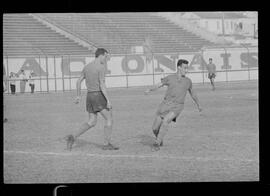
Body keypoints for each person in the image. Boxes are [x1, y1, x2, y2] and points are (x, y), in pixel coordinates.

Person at [65, 48, 119, 151]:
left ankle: (73, 137)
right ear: (101, 55)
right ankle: (106, 144)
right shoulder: (101, 67)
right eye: (106, 56)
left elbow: (78, 81)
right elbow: (102, 84)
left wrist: (78, 96)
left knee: (92, 121)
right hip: (98, 95)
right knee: (109, 118)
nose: (106, 59)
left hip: (89, 96)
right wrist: (108, 100)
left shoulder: (87, 67)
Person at [144, 59, 202, 151]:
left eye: (187, 68)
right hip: (165, 104)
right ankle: (160, 138)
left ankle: (157, 143)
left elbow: (193, 93)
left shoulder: (188, 81)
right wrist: (150, 89)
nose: (186, 70)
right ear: (179, 67)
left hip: (177, 106)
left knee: (166, 121)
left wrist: (198, 104)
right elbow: (159, 85)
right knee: (155, 128)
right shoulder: (170, 78)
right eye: (185, 68)